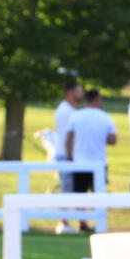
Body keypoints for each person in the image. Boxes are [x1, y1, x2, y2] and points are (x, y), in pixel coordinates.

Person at [65, 88, 114, 232]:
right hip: (99, 162)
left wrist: (70, 156)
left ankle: (82, 221)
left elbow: (69, 137)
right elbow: (113, 139)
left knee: (80, 193)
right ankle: (100, 222)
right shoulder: (105, 117)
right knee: (99, 193)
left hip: (79, 161)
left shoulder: (76, 116)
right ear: (98, 99)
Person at [53, 80, 83, 233]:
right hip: (66, 155)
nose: (81, 94)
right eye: (79, 91)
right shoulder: (65, 111)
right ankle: (63, 222)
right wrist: (71, 156)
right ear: (70, 92)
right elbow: (67, 137)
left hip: (70, 154)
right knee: (66, 187)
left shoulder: (71, 110)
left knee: (73, 188)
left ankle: (78, 221)